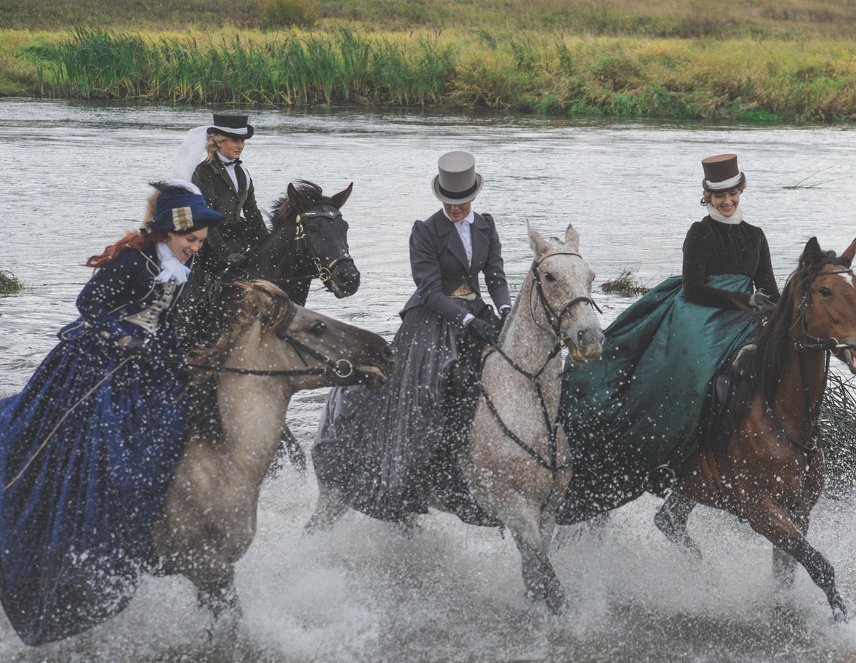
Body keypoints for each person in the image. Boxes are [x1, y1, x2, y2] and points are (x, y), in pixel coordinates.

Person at [0, 181, 224, 646]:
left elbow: (164, 320)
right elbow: (89, 306)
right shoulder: (132, 259)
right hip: (96, 364)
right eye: (190, 240)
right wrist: (120, 336)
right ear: (167, 232)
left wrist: (178, 355)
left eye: (200, 241)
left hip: (149, 362)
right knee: (97, 441)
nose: (194, 248)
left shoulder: (181, 266)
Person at [559, 153, 779, 523]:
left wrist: (774, 311)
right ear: (707, 196)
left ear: (741, 191)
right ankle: (671, 450)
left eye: (732, 194)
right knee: (692, 371)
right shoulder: (700, 233)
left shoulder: (755, 236)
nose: (726, 201)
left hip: (745, 318)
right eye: (718, 196)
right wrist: (743, 299)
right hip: (702, 313)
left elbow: (769, 287)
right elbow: (693, 287)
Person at [311, 150, 511, 526]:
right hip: (432, 319)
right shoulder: (425, 230)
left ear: (473, 197)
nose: (454, 208)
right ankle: (434, 470)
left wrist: (503, 311)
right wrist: (469, 321)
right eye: (448, 202)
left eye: (461, 202)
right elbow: (431, 291)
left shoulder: (486, 225)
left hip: (479, 313)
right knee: (431, 386)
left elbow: (496, 276)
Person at [179, 113, 270, 347]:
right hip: (208, 243)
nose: (240, 146)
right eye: (234, 140)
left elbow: (252, 212)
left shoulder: (243, 173)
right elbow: (204, 217)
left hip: (238, 240)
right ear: (219, 141)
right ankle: (189, 337)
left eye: (242, 141)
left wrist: (268, 244)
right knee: (197, 296)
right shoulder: (204, 172)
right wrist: (225, 253)